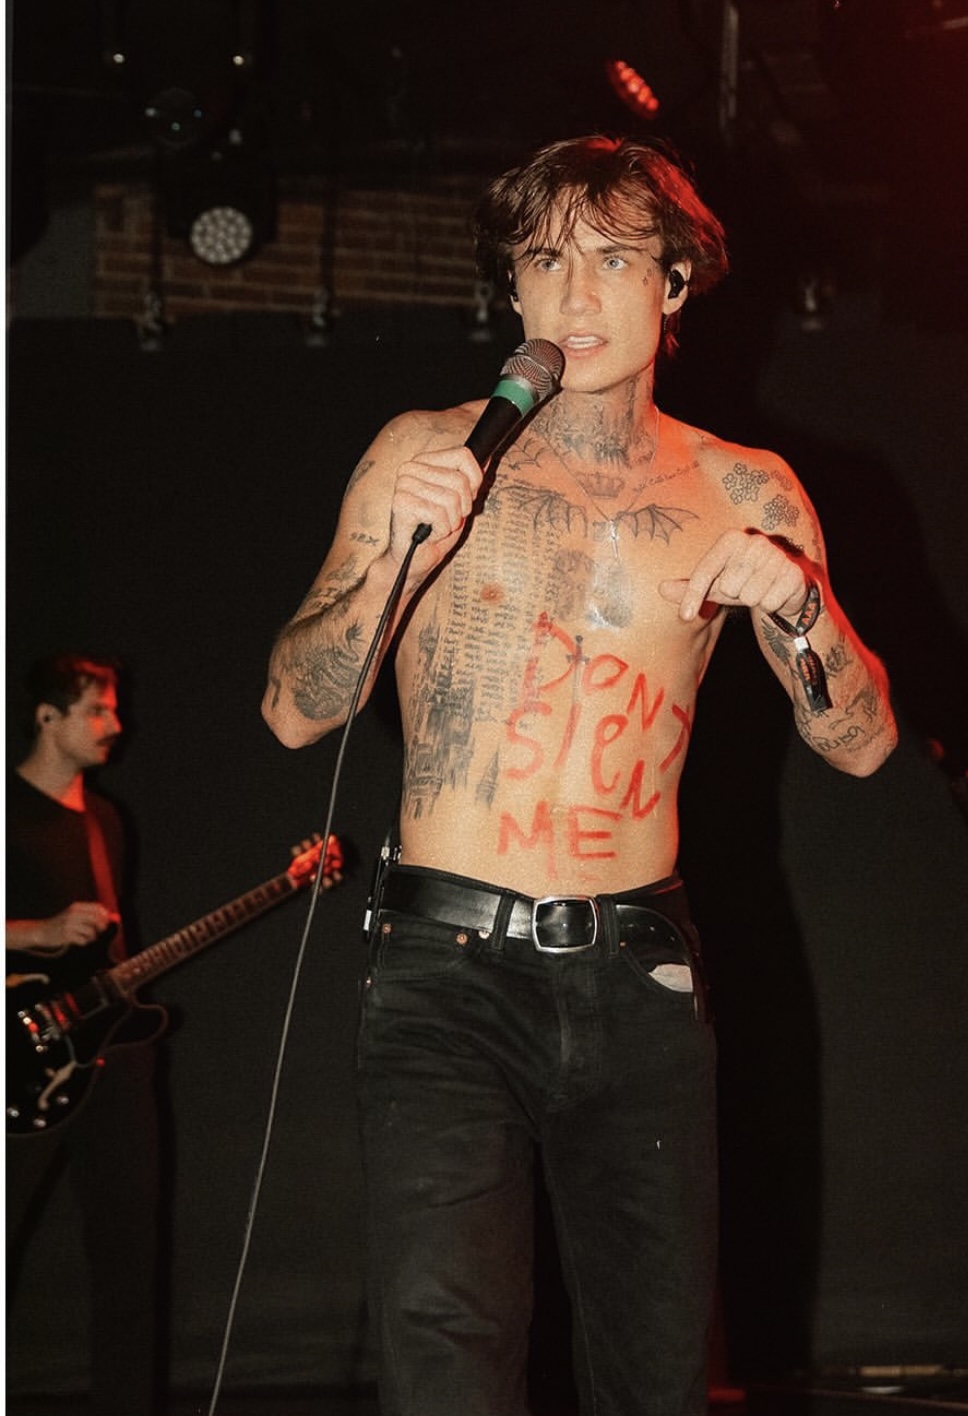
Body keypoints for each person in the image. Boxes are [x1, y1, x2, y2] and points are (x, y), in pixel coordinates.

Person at [262, 134, 897, 1416]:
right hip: (445, 976)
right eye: (544, 262)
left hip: (637, 977)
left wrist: (803, 606)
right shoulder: (422, 452)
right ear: (511, 288)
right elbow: (291, 714)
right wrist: (398, 558)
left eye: (613, 260)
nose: (575, 295)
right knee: (449, 1360)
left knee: (654, 1372)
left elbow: (864, 744)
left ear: (675, 283)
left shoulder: (745, 487)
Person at [6, 653, 162, 1416]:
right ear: (48, 718)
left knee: (129, 1261)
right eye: (97, 709)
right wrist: (33, 933)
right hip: (17, 1063)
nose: (115, 724)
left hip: (110, 1060)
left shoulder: (105, 822)